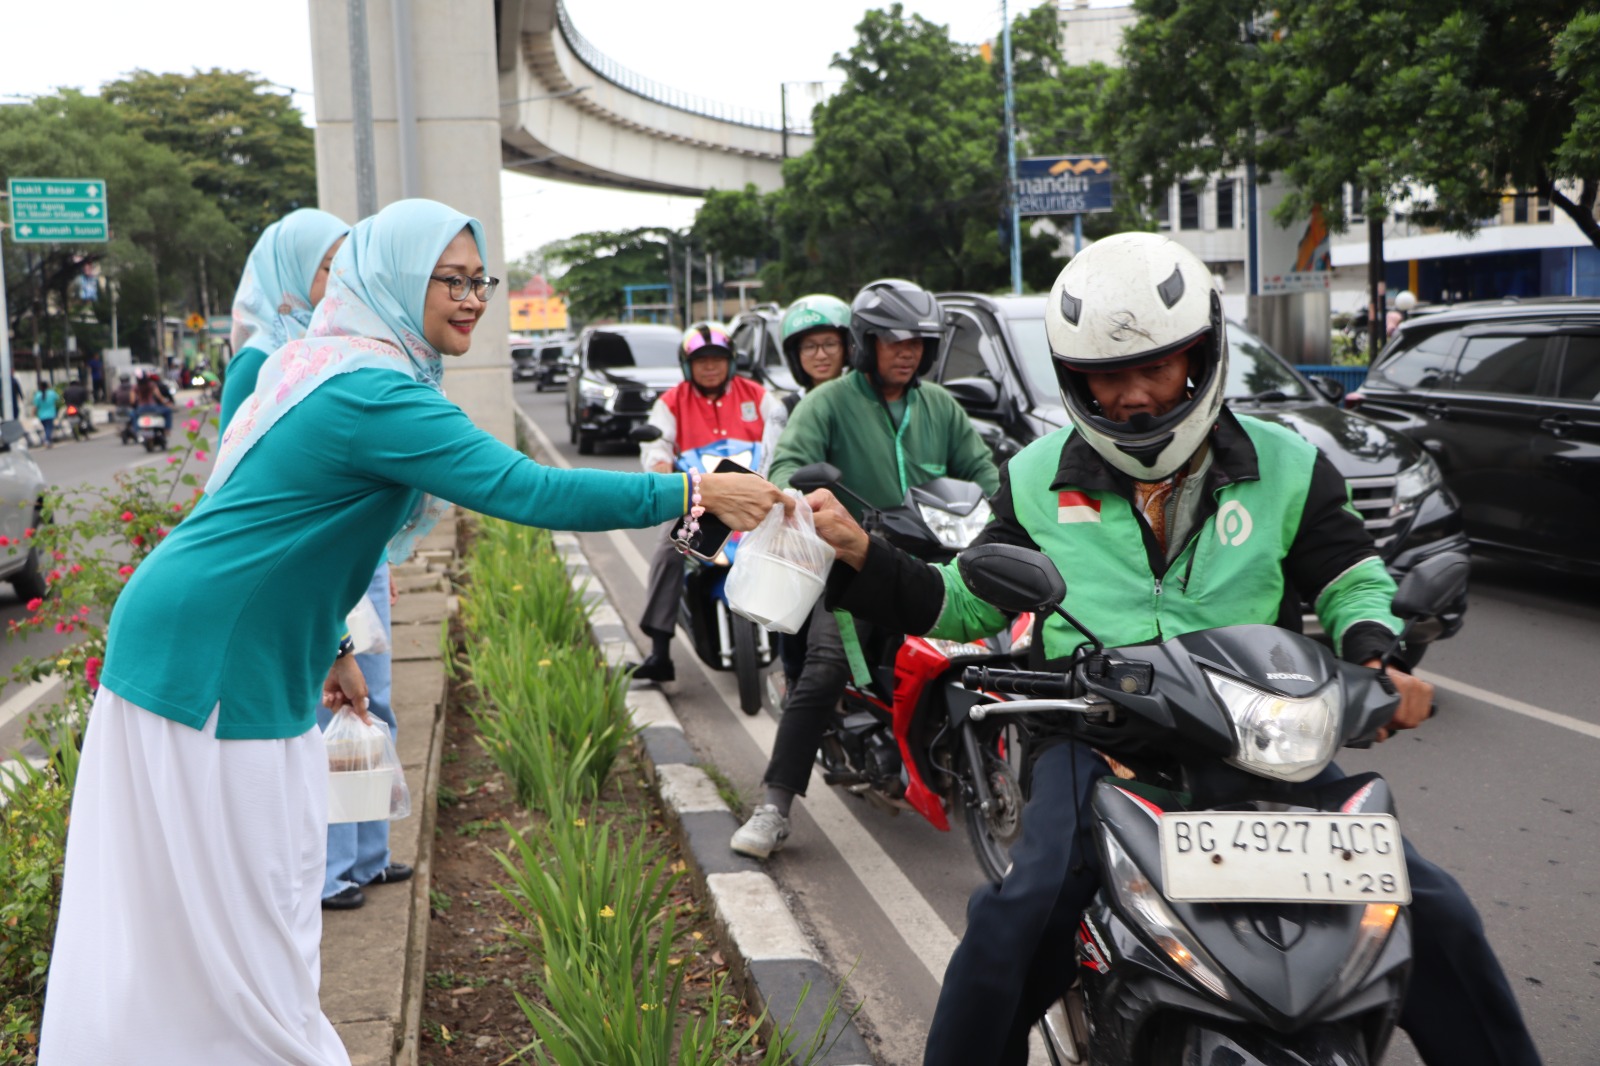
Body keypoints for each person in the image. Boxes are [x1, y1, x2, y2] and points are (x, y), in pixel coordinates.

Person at [38, 198, 786, 1066]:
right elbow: (528, 492)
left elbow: (302, 528)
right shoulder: (373, 390)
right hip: (210, 658)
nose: (471, 298)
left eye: (480, 281)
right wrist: (694, 496)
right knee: (238, 920)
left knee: (261, 907)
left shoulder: (343, 365)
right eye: (451, 280)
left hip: (236, 641)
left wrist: (335, 645)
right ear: (395, 277)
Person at [803, 233, 1543, 1066]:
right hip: (1095, 740)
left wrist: (1375, 653)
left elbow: (1348, 575)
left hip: (1262, 739)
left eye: (1157, 368)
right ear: (1074, 379)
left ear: (1201, 356)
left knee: (1430, 909)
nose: (1135, 398)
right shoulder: (1036, 475)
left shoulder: (1289, 465)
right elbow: (965, 596)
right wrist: (864, 556)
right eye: (1107, 378)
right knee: (1019, 918)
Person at [729, 278, 1001, 859]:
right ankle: (774, 806)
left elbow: (985, 473)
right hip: (851, 564)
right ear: (866, 342)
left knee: (1006, 653)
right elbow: (790, 464)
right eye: (894, 340)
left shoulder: (940, 407)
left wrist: (1006, 509)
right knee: (825, 668)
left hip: (936, 564)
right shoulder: (828, 403)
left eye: (920, 342)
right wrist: (811, 496)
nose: (908, 352)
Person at [626, 321, 788, 683]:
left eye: (717, 358)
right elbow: (656, 446)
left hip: (756, 493)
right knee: (669, 550)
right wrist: (661, 468)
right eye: (701, 360)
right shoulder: (670, 402)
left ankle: (812, 647)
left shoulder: (759, 396)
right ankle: (659, 651)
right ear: (687, 365)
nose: (710, 366)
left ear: (731, 361)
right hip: (698, 498)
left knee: (803, 545)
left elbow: (783, 433)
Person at [770, 294, 853, 696]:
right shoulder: (784, 408)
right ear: (794, 355)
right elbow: (775, 467)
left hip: (868, 523)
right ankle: (794, 678)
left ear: (848, 346)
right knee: (796, 590)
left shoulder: (865, 400)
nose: (820, 355)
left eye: (829, 344)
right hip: (808, 524)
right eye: (809, 346)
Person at [220, 207, 351, 432]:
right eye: (330, 267)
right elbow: (230, 463)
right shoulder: (256, 359)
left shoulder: (339, 339)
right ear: (292, 271)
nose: (341, 279)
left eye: (347, 267)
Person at [31, 381, 60, 448]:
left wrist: (32, 414)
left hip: (41, 415)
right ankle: (47, 440)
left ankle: (48, 441)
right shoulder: (51, 393)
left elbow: (35, 406)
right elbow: (58, 399)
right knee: (49, 428)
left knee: (46, 428)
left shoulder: (38, 395)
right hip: (50, 414)